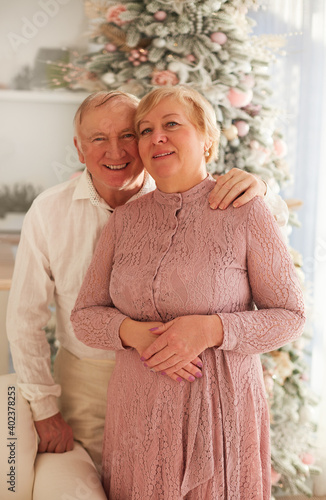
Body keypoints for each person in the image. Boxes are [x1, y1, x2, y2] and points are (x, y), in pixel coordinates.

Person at [6, 90, 288, 473]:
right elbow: (25, 319)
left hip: (181, 385)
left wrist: (263, 189)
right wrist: (43, 409)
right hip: (85, 383)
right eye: (98, 139)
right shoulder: (49, 211)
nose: (115, 151)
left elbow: (263, 235)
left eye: (126, 135)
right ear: (78, 148)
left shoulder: (181, 186)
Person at [71, 86, 305, 499]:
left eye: (171, 125)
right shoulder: (124, 222)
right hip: (136, 416)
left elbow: (290, 316)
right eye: (144, 130)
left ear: (207, 138)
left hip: (219, 413)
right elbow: (85, 315)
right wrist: (133, 333)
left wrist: (211, 330)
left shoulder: (247, 210)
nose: (155, 137)